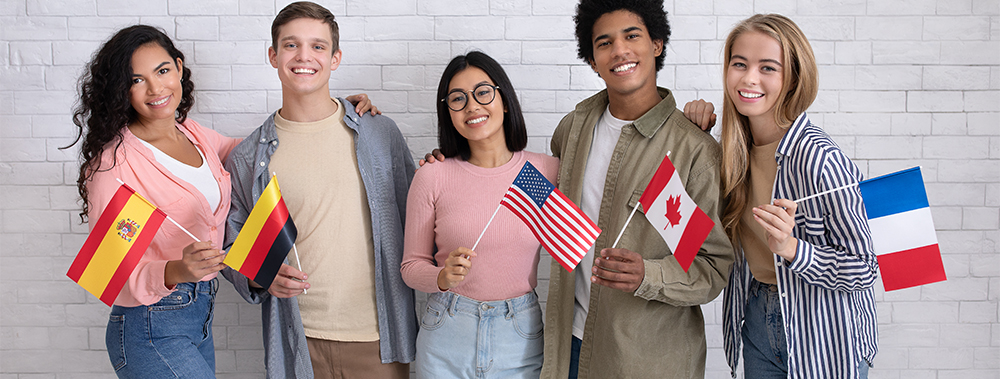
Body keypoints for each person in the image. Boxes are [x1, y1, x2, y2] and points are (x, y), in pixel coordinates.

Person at [221, 2, 417, 379]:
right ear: (273, 55)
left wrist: (445, 169)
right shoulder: (249, 157)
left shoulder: (378, 132)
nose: (304, 56)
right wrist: (261, 273)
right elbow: (232, 241)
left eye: (318, 46)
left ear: (335, 57)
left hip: (377, 339)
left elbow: (419, 217)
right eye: (291, 45)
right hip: (297, 339)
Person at [541, 0, 735, 377]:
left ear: (657, 44)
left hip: (645, 360)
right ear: (593, 60)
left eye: (632, 36)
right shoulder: (572, 129)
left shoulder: (694, 151)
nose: (619, 51)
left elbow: (712, 268)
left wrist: (649, 274)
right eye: (604, 43)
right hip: (568, 346)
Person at [688, 14, 878, 378]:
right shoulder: (729, 153)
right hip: (757, 316)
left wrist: (792, 249)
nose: (749, 78)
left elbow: (865, 267)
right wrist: (693, 134)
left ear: (793, 78)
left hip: (825, 331)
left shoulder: (820, 159)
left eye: (768, 68)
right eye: (739, 64)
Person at [68, 25, 237, 378]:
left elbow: (252, 152)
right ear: (121, 90)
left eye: (162, 71)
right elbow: (108, 271)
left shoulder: (194, 135)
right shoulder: (115, 166)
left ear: (178, 67)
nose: (156, 88)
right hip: (149, 329)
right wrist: (177, 270)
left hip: (199, 316)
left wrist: (332, 110)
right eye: (136, 79)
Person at [400, 51, 555, 378]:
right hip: (446, 333)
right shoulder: (433, 176)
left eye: (483, 92)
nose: (472, 106)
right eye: (458, 99)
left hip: (520, 336)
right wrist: (441, 277)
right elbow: (411, 266)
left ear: (505, 100)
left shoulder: (541, 173)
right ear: (449, 113)